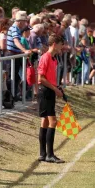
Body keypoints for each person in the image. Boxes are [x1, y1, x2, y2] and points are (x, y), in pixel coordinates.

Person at [37, 34, 66, 164]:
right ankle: (50, 154)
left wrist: (57, 87)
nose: (62, 47)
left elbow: (49, 77)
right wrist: (55, 89)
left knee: (44, 121)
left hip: (50, 90)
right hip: (45, 92)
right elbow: (41, 78)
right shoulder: (46, 57)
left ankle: (43, 154)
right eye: (61, 44)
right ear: (54, 44)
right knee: (53, 121)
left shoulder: (54, 58)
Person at [7, 11, 31, 99]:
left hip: (16, 54)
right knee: (12, 76)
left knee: (16, 76)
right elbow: (16, 41)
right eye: (24, 21)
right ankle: (10, 96)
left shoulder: (17, 29)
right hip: (11, 55)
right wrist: (24, 50)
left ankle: (14, 95)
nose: (25, 24)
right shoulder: (14, 28)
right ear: (20, 21)